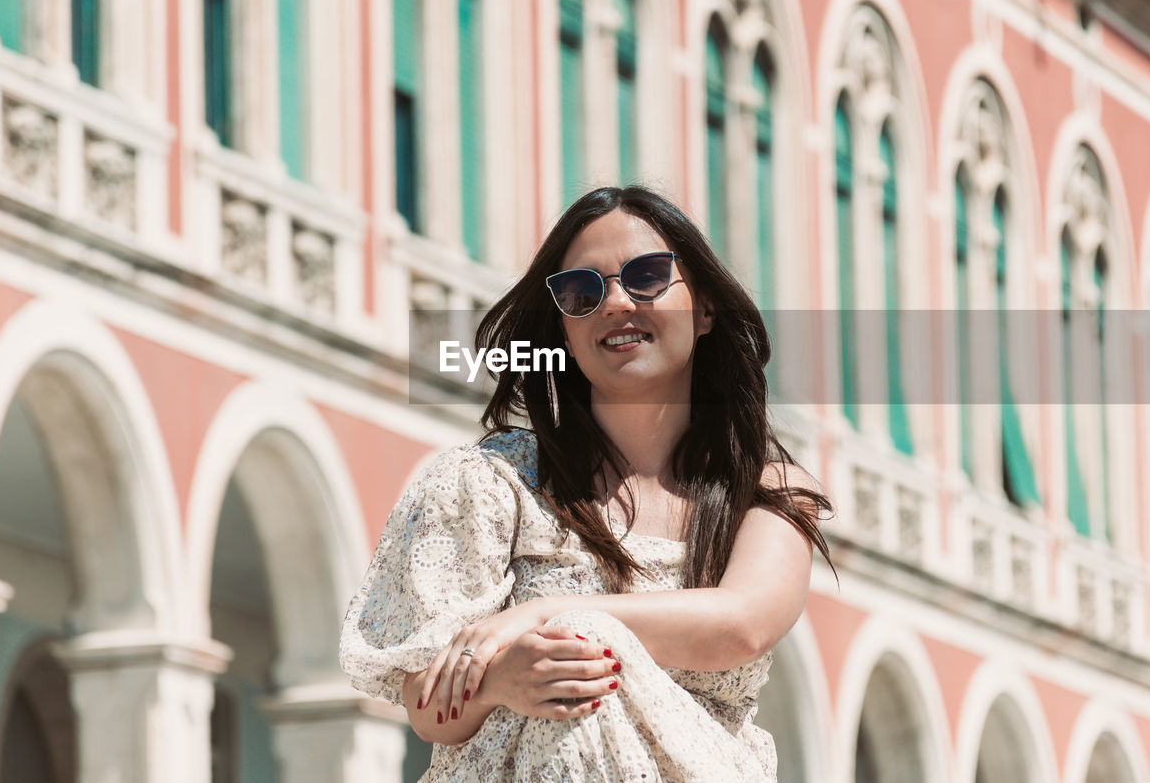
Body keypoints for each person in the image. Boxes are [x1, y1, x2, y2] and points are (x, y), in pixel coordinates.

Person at [340, 185, 836, 780]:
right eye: (582, 292)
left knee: (582, 639)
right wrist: (504, 679)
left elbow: (741, 626)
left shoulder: (771, 493)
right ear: (564, 333)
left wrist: (545, 612)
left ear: (704, 307)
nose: (617, 303)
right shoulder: (487, 482)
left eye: (648, 276)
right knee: (571, 661)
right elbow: (430, 708)